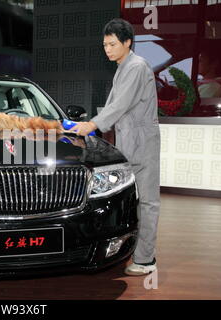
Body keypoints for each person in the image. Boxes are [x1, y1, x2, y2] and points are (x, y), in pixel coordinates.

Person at [76, 18, 160, 276]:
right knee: (132, 199)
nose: (108, 49)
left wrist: (91, 125)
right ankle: (131, 250)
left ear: (127, 42)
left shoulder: (135, 66)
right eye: (105, 45)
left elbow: (119, 105)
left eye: (112, 44)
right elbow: (115, 106)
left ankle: (146, 260)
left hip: (141, 142)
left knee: (146, 201)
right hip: (129, 141)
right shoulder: (124, 67)